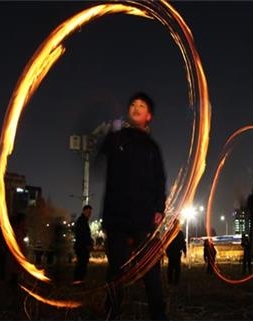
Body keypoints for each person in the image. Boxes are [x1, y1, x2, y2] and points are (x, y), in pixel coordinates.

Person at [100, 92, 167, 320]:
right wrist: (112, 134)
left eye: (142, 105)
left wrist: (159, 208)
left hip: (143, 215)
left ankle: (158, 314)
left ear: (148, 116)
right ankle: (111, 312)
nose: (136, 107)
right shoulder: (118, 138)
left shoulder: (151, 147)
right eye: (133, 104)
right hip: (117, 213)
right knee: (116, 269)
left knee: (150, 268)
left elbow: (160, 180)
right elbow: (103, 152)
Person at [73, 205, 94, 283]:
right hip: (82, 247)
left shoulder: (83, 221)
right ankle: (78, 280)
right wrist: (88, 243)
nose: (89, 214)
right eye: (88, 212)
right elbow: (83, 235)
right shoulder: (82, 221)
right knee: (81, 264)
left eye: (90, 212)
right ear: (84, 211)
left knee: (82, 264)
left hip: (82, 247)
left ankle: (79, 280)